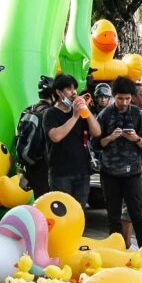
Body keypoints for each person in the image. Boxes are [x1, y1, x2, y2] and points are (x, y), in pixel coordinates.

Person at [94, 75, 142, 247]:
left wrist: (136, 138)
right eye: (120, 98)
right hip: (110, 173)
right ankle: (116, 250)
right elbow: (95, 144)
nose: (124, 102)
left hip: (132, 173)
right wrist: (110, 138)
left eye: (127, 99)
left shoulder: (138, 115)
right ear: (114, 96)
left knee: (137, 214)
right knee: (113, 216)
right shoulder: (104, 115)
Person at [44, 72, 96, 206]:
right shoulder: (50, 113)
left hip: (82, 171)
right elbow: (55, 136)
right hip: (61, 173)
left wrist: (86, 111)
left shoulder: (80, 112)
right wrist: (74, 116)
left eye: (75, 89)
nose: (74, 93)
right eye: (69, 89)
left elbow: (97, 132)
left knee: (79, 211)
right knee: (62, 211)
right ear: (59, 92)